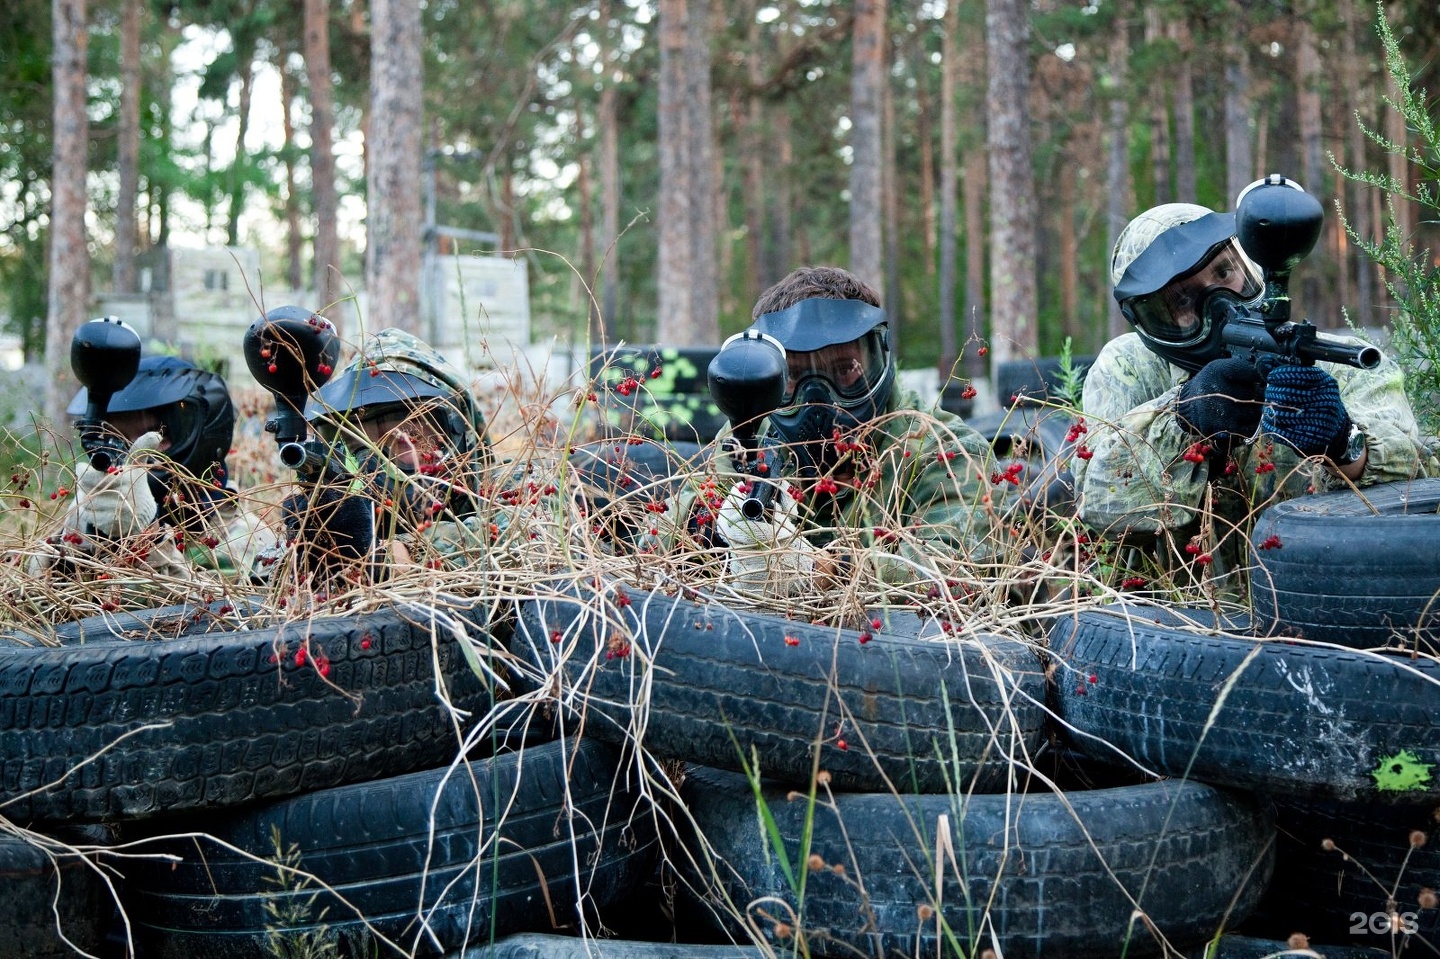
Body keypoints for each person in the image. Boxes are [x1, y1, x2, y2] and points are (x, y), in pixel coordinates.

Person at [1073, 197, 1431, 584]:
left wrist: (1344, 444)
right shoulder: (1130, 367)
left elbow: (1420, 487)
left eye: (1225, 272)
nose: (1220, 305)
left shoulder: (1328, 363)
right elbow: (1100, 507)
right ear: (1149, 319)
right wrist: (1183, 416)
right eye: (1182, 300)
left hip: (1315, 608)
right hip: (1174, 616)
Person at [707, 266, 1005, 598]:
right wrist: (716, 538)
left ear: (880, 356)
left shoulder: (944, 450)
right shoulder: (750, 434)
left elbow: (959, 570)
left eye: (845, 369)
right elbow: (662, 538)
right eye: (793, 374)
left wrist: (822, 571)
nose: (817, 398)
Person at [259, 325, 512, 584]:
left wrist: (397, 553)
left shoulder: (511, 488)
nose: (382, 462)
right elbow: (262, 571)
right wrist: (307, 551)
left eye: (408, 441)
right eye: (365, 443)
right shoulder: (357, 512)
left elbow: (515, 532)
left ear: (459, 432)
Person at [33, 352, 271, 580]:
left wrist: (148, 535)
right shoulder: (103, 520)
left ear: (203, 432)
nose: (134, 455)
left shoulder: (248, 539)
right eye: (119, 440)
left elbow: (201, 611)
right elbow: (32, 596)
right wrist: (73, 540)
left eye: (155, 435)